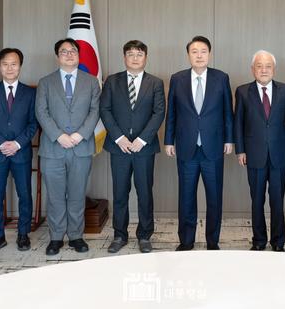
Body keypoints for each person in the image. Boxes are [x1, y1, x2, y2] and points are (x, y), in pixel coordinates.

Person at [164, 35, 234, 251]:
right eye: (194, 51)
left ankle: (213, 242)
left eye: (203, 51)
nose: (199, 55)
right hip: (187, 147)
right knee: (186, 197)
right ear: (188, 55)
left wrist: (229, 139)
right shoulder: (177, 79)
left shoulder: (221, 78)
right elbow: (171, 112)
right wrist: (168, 141)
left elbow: (228, 112)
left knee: (214, 198)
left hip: (213, 147)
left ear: (209, 54)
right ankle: (186, 241)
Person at [35, 38, 100, 255]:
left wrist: (80, 135)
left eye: (73, 51)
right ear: (57, 56)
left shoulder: (91, 82)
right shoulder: (46, 82)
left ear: (79, 55)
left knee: (77, 194)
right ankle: (56, 237)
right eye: (64, 51)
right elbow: (41, 112)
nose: (69, 54)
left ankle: (76, 236)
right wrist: (59, 135)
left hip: (81, 147)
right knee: (55, 196)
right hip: (53, 148)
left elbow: (95, 111)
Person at [100, 40, 165, 254]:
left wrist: (142, 139)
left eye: (139, 54)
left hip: (144, 148)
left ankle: (145, 235)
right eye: (130, 54)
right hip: (119, 148)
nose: (135, 58)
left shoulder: (155, 83)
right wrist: (119, 138)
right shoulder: (112, 81)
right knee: (120, 193)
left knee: (145, 192)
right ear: (124, 57)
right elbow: (105, 110)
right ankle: (120, 235)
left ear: (146, 57)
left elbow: (159, 112)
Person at [234, 50, 285, 252]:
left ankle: (278, 242)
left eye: (268, 66)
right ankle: (259, 240)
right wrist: (240, 150)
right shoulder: (243, 91)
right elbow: (238, 123)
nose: (263, 70)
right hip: (253, 154)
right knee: (257, 200)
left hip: (279, 154)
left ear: (274, 69)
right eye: (259, 66)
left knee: (277, 200)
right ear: (253, 69)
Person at [0, 48, 38, 254]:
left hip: (21, 152)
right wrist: (2, 143)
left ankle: (23, 234)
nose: (10, 68)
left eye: (14, 64)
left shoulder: (30, 93)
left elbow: (33, 123)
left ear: (20, 66)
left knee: (25, 195)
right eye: (5, 64)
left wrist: (17, 144)